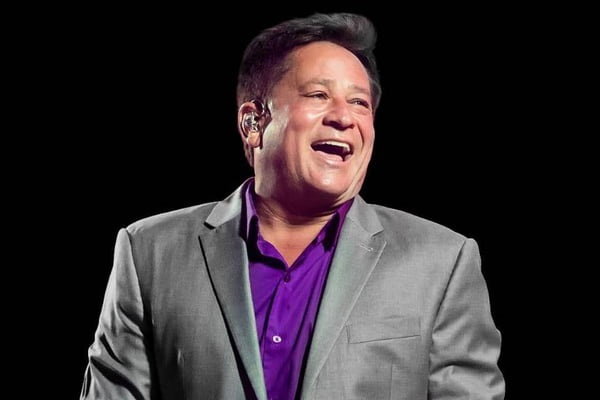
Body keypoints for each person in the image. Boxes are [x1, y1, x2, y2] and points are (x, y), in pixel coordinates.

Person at [80, 12, 505, 400]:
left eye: (359, 102)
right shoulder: (150, 252)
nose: (344, 117)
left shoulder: (442, 261)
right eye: (319, 94)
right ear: (253, 123)